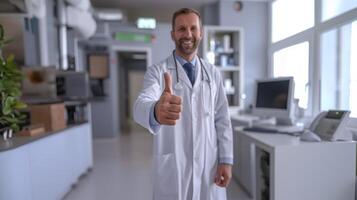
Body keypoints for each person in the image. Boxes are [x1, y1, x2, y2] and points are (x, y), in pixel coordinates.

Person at [133, 8, 233, 200]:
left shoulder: (213, 73)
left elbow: (222, 119)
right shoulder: (157, 72)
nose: (188, 34)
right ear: (173, 35)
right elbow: (139, 106)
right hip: (174, 168)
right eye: (181, 29)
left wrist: (226, 160)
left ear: (201, 33)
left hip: (209, 165)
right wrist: (155, 110)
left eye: (193, 28)